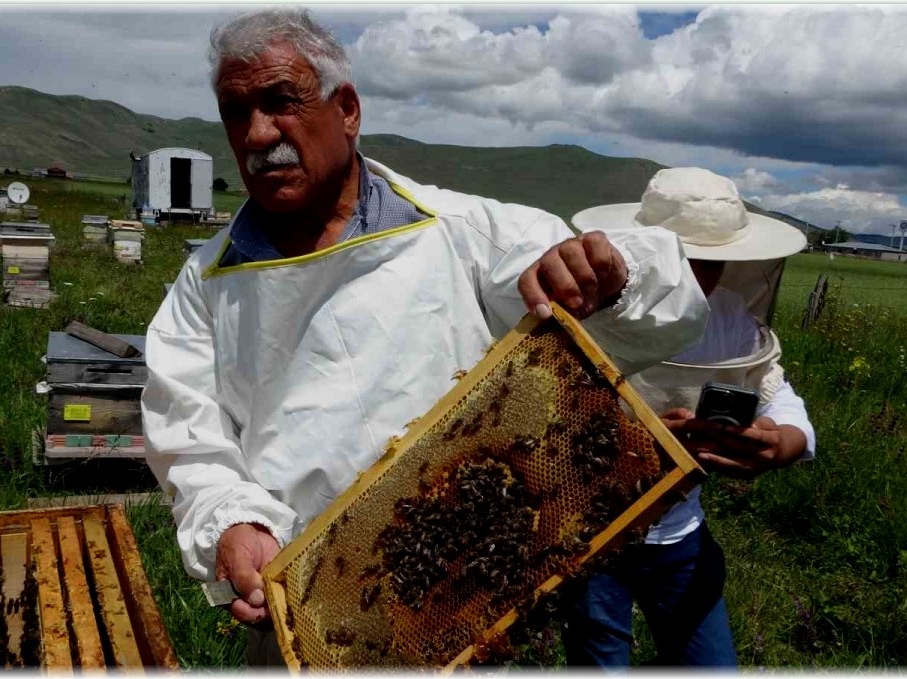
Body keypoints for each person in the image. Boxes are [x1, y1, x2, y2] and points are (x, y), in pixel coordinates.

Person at [141, 9, 709, 665]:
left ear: (346, 108)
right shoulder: (203, 282)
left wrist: (610, 273)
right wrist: (233, 522)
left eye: (279, 102)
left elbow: (666, 304)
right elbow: (188, 435)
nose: (257, 133)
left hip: (465, 619)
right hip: (302, 621)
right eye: (235, 112)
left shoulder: (465, 232)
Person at [564, 167, 817, 667]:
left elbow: (775, 391)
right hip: (591, 534)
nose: (700, 275)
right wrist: (633, 441)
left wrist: (783, 441)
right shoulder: (591, 306)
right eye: (686, 259)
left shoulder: (732, 318)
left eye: (715, 261)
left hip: (681, 536)